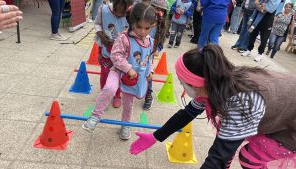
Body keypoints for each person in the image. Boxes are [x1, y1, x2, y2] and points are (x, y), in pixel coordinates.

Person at [130, 45, 296, 168]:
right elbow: (187, 114)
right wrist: (156, 136)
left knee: (249, 158)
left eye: (183, 83)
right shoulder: (215, 82)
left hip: (291, 120)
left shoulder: (241, 102)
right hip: (278, 108)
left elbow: (217, 157)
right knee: (227, 147)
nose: (181, 86)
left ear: (199, 84)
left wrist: (221, 160)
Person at [82, 2, 157, 140]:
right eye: (139, 27)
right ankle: (95, 116)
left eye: (147, 28)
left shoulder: (150, 41)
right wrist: (128, 68)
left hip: (133, 78)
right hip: (118, 71)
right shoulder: (124, 37)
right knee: (109, 88)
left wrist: (150, 70)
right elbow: (115, 56)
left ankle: (125, 125)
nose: (142, 31)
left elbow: (149, 58)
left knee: (129, 104)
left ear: (152, 26)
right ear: (132, 22)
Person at [94, 0, 133, 108]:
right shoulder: (103, 10)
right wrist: (102, 36)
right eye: (121, 8)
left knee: (120, 74)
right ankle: (104, 96)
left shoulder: (131, 13)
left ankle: (117, 95)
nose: (121, 14)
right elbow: (97, 24)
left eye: (125, 10)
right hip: (106, 49)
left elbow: (133, 31)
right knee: (105, 73)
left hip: (122, 53)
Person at [142, 0, 168, 110]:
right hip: (138, 49)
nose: (157, 11)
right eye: (155, 8)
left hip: (150, 53)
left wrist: (158, 48)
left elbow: (162, 39)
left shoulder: (162, 25)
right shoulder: (143, 18)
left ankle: (148, 95)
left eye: (160, 10)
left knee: (148, 73)